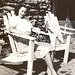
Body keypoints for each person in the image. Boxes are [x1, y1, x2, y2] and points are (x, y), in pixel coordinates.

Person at [9, 4, 57, 75]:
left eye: (25, 12)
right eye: (22, 11)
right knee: (45, 49)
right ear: (18, 10)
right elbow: (11, 29)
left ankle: (49, 71)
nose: (23, 13)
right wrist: (22, 33)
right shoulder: (15, 19)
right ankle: (53, 72)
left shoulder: (26, 19)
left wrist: (36, 29)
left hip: (31, 41)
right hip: (23, 44)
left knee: (50, 47)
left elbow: (30, 28)